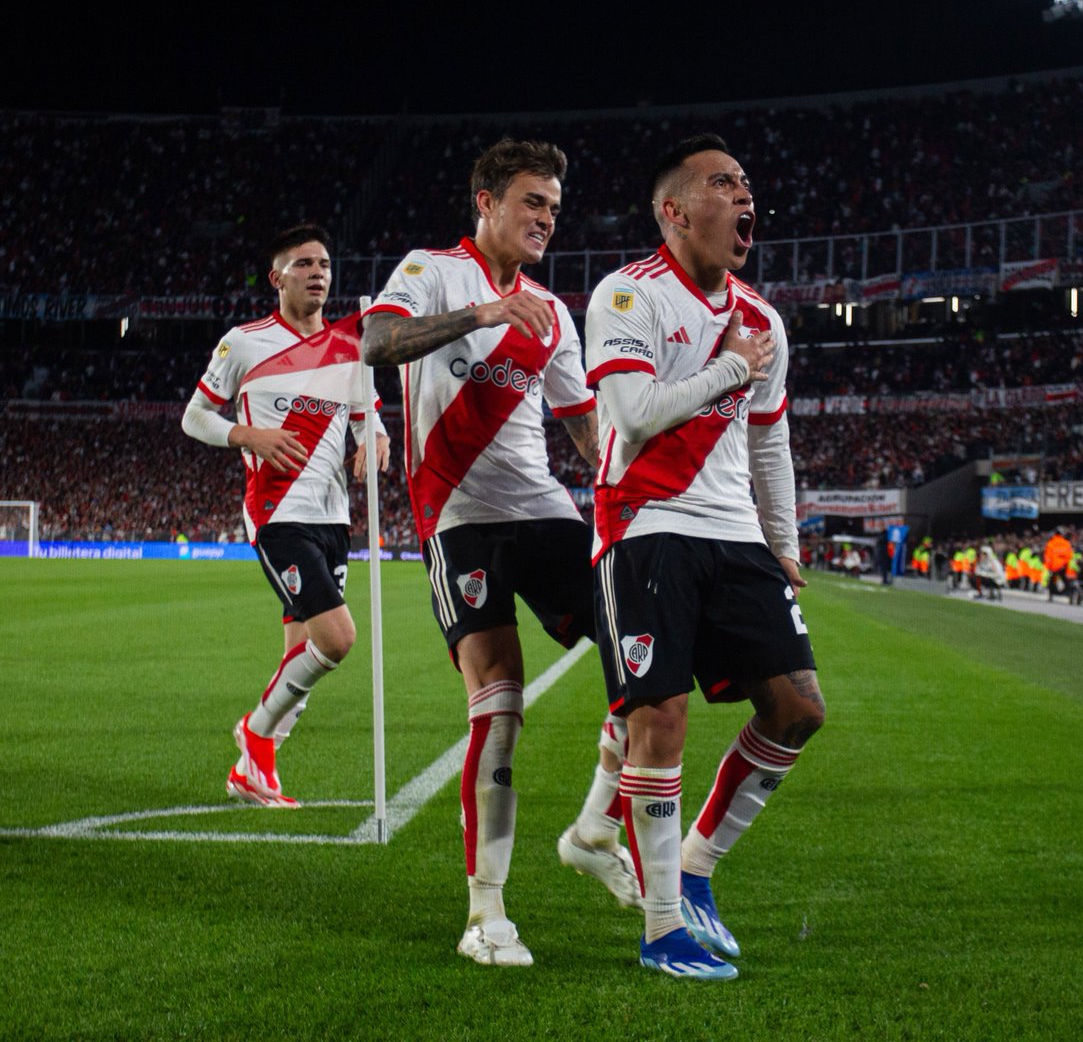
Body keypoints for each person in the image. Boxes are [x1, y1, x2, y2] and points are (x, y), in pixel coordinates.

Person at [361, 138, 638, 969]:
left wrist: (629, 487)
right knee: (501, 705)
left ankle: (594, 828)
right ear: (484, 202)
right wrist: (482, 315)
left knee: (648, 658)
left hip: (546, 513)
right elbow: (377, 344)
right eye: (531, 203)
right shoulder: (432, 271)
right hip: (459, 518)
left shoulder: (553, 312)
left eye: (553, 206)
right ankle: (486, 915)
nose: (546, 219)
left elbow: (583, 425)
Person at [585, 134, 825, 981]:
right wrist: (728, 368)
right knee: (661, 720)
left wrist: (785, 546)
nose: (746, 197)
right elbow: (636, 412)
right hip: (645, 526)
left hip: (735, 535)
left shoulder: (764, 319)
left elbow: (772, 444)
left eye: (748, 184)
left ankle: (694, 869)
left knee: (798, 709)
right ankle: (659, 930)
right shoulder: (627, 295)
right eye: (725, 184)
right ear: (675, 210)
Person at [182, 223, 390, 806]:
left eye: (324, 263)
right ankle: (256, 732)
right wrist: (250, 435)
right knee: (337, 638)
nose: (317, 273)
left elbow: (365, 416)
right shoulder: (244, 343)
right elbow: (194, 417)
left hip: (333, 517)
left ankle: (253, 772)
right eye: (303, 264)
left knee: (298, 656)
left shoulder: (351, 345)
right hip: (277, 512)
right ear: (277, 277)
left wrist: (375, 438)